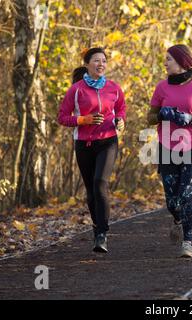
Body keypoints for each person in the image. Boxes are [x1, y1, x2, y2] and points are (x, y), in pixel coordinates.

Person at [147, 44, 192, 258]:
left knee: (186, 195)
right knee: (172, 200)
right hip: (168, 147)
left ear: (181, 62)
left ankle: (187, 241)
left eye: (168, 59)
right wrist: (162, 114)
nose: (165, 62)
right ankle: (177, 220)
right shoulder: (161, 87)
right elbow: (149, 118)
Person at [58, 47, 126, 253]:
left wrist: (120, 120)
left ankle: (102, 233)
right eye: (96, 60)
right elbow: (62, 117)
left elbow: (121, 108)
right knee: (91, 190)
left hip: (108, 141)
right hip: (84, 144)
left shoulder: (114, 87)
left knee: (100, 182)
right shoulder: (76, 89)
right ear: (87, 64)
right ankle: (97, 227)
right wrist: (83, 120)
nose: (101, 64)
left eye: (104, 61)